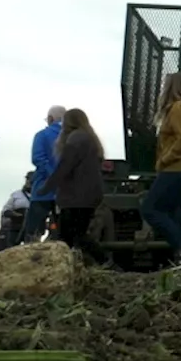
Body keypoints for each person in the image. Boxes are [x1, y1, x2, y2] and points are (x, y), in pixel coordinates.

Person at [139, 73, 181, 271]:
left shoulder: (179, 108)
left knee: (151, 209)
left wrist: (164, 160)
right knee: (178, 213)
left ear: (169, 87)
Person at [39, 108, 109, 264]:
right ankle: (95, 264)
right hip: (89, 196)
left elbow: (64, 167)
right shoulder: (91, 139)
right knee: (75, 236)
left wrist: (46, 187)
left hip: (75, 197)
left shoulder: (75, 139)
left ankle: (105, 262)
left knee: (70, 236)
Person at [25, 106, 66, 242]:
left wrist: (53, 177)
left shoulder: (41, 135)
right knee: (64, 231)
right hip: (67, 191)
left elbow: (38, 159)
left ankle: (32, 254)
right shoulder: (72, 137)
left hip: (43, 189)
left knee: (34, 230)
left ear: (50, 119)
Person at [0, 172, 34, 254]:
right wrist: (15, 215)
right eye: (28, 179)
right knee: (11, 250)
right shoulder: (16, 194)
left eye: (31, 181)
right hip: (15, 226)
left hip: (31, 229)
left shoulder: (39, 196)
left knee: (31, 251)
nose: (29, 182)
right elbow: (6, 210)